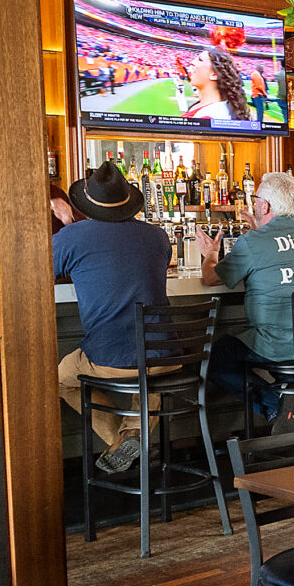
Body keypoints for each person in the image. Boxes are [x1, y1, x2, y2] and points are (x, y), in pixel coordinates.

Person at [52, 163, 175, 473]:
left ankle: (123, 442)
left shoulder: (72, 236)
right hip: (169, 357)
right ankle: (133, 438)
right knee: (151, 374)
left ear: (87, 203)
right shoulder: (158, 236)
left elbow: (42, 275)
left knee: (60, 380)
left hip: (111, 358)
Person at [196, 169, 294, 428]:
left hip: (281, 344)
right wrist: (259, 230)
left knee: (212, 358)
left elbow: (212, 278)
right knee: (281, 344)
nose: (254, 203)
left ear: (265, 205)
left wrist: (211, 253)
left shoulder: (253, 241)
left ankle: (275, 401)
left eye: (256, 198)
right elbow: (280, 249)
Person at [186, 49, 252, 123]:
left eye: (200, 60)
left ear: (214, 75)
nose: (192, 62)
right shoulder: (207, 107)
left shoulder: (210, 116)